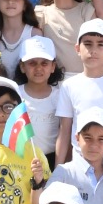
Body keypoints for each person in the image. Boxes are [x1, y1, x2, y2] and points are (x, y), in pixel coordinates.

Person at [54, 19, 103, 167]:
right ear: (77, 49)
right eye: (87, 44)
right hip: (81, 169)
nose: (93, 50)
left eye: (101, 44)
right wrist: (58, 170)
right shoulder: (69, 86)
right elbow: (65, 131)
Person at [17, 36, 61, 165]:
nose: (38, 68)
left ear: (53, 66)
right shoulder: (15, 94)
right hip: (21, 161)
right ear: (22, 67)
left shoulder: (60, 96)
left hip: (52, 160)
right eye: (32, 63)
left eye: (44, 63)